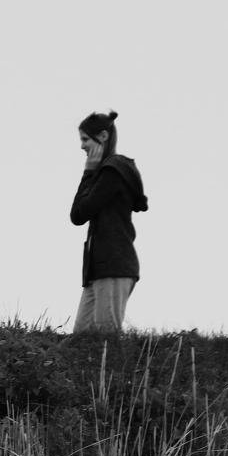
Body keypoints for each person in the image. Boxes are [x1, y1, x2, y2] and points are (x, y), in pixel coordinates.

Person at [70, 110, 149, 333]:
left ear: (103, 136)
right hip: (98, 270)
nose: (82, 146)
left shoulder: (112, 172)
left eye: (85, 139)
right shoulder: (106, 173)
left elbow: (79, 214)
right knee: (81, 339)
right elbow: (78, 215)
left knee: (106, 339)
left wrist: (88, 173)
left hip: (113, 266)